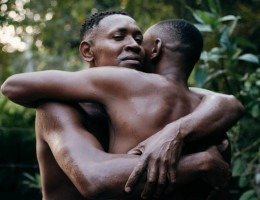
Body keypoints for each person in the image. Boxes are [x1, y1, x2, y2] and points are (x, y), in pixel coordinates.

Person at [1, 12, 244, 200]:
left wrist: (175, 133)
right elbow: (95, 178)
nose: (134, 45)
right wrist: (201, 163)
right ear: (87, 51)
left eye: (139, 39)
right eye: (119, 37)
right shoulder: (57, 106)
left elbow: (224, 101)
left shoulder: (145, 102)